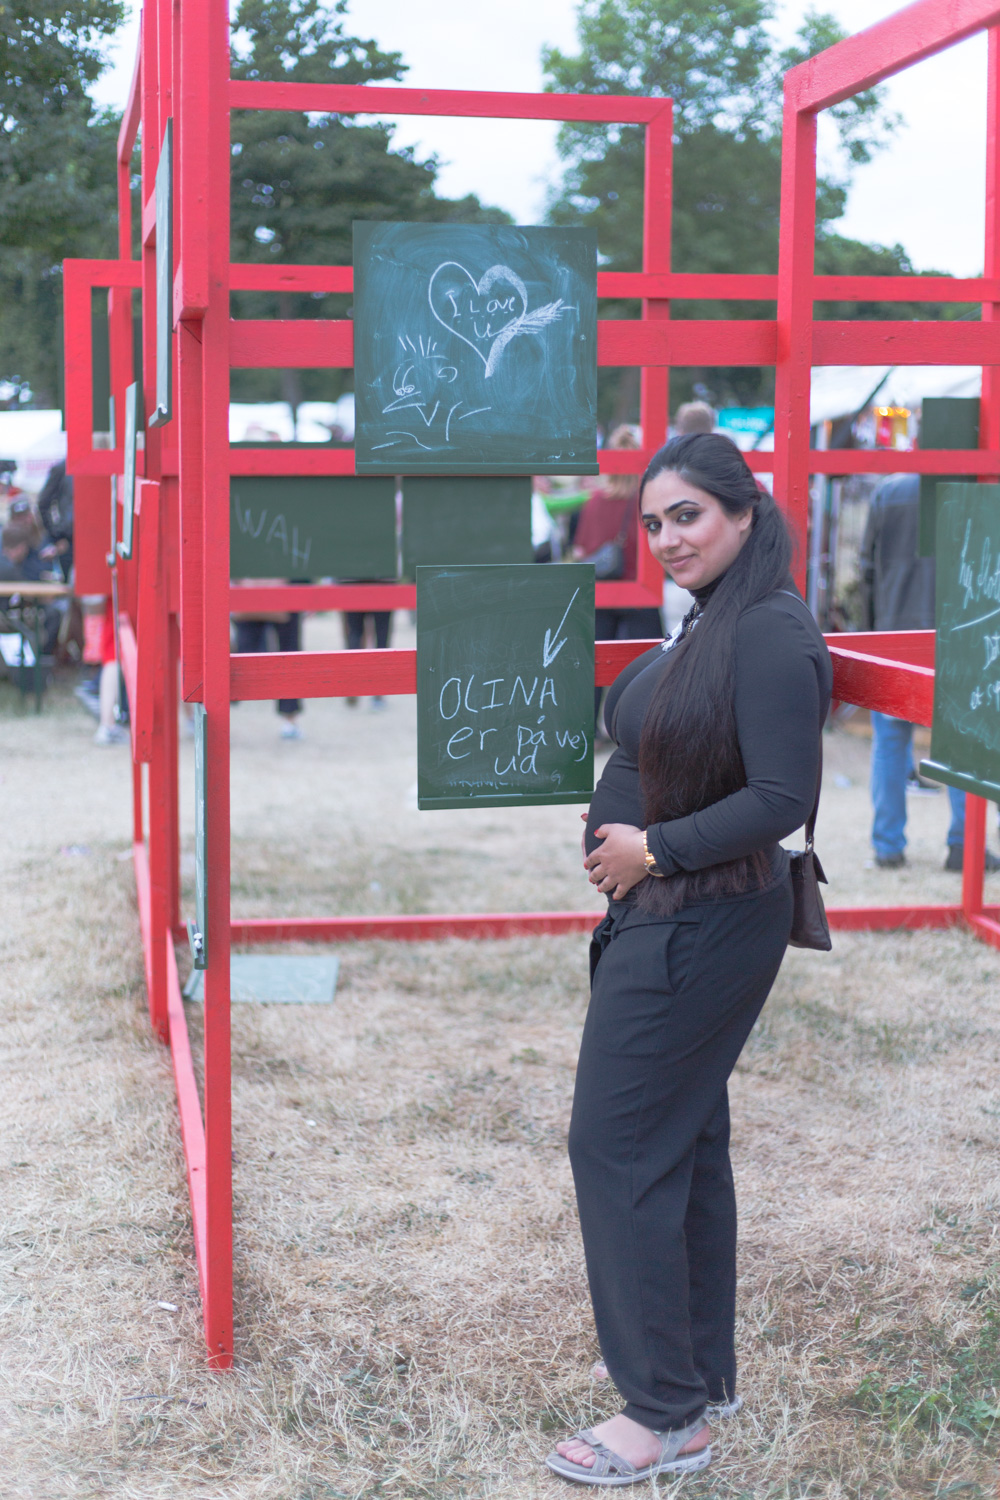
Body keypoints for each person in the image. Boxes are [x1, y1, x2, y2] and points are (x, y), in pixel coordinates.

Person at [546, 433, 832, 1487]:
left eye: (689, 518)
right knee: (676, 1142)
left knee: (614, 1146)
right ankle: (698, 1378)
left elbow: (781, 800)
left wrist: (652, 846)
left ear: (744, 516)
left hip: (701, 917)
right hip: (669, 914)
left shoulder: (765, 630)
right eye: (655, 522)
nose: (667, 538)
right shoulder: (715, 620)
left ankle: (662, 1417)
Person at [859, 472, 1000, 871]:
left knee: (889, 741)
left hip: (894, 633)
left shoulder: (887, 491)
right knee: (963, 747)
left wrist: (872, 632)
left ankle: (887, 847)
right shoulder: (977, 486)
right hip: (960, 634)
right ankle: (962, 845)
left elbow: (866, 568)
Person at [572, 425, 663, 736]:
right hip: (641, 589)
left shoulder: (593, 501)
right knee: (647, 663)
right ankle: (638, 730)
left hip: (600, 591)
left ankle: (587, 732)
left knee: (594, 663)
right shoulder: (648, 502)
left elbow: (582, 548)